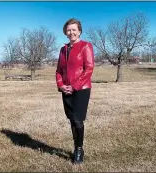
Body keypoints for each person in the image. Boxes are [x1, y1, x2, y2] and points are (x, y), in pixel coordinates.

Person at [55, 18, 95, 164]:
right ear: (65, 32)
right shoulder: (63, 49)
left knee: (78, 120)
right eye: (69, 30)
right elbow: (59, 70)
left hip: (81, 89)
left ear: (79, 31)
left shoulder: (86, 46)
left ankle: (79, 149)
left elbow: (89, 68)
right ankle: (75, 146)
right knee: (71, 119)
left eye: (74, 29)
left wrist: (75, 86)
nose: (71, 32)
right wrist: (61, 85)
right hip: (66, 90)